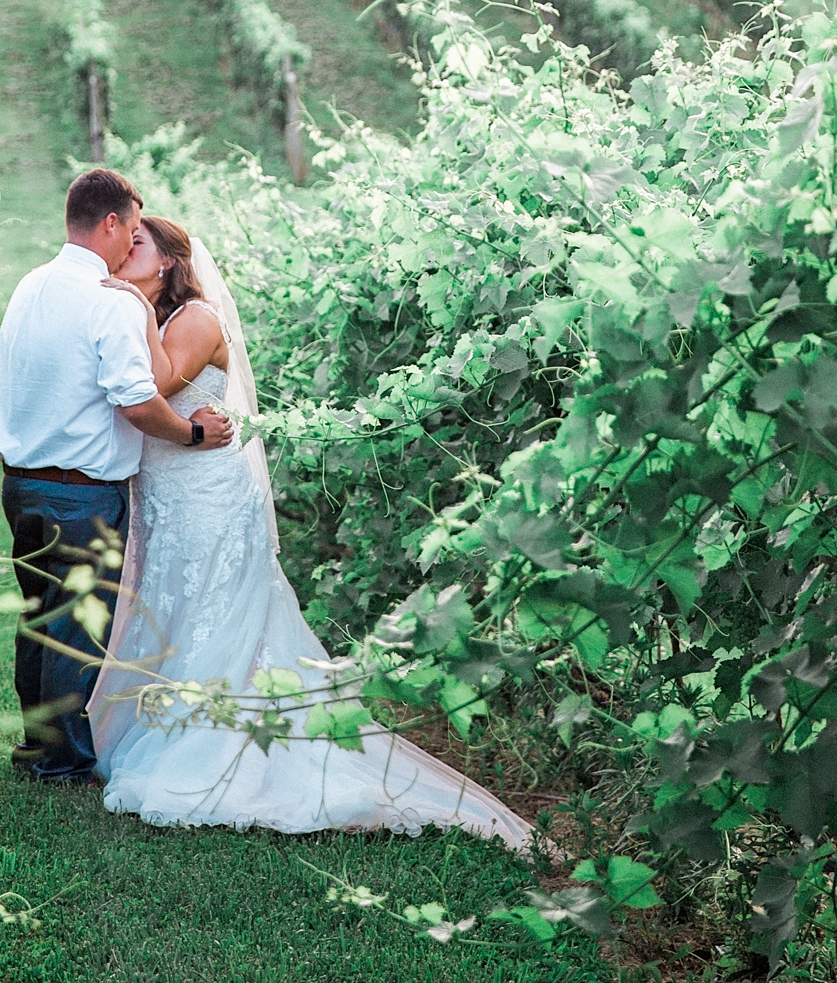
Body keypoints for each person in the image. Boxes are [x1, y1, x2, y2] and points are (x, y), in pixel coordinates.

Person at [87, 215, 530, 848]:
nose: (124, 251)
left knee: (215, 608)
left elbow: (151, 389)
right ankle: (163, 719)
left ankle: (219, 740)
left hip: (209, 495)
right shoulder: (152, 319)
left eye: (138, 244)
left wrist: (130, 304)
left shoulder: (195, 319)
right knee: (175, 607)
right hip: (167, 493)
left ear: (167, 262)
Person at [0, 169, 233, 785]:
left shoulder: (31, 283)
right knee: (74, 627)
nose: (131, 245)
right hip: (81, 492)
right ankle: (64, 763)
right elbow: (138, 403)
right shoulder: (109, 298)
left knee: (39, 619)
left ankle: (38, 747)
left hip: (22, 484)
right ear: (113, 223)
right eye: (133, 229)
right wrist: (191, 434)